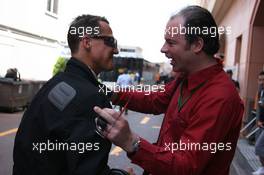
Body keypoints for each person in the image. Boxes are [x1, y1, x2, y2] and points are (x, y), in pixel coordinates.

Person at [93, 6, 244, 175]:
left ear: (197, 45)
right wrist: (110, 93)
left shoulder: (219, 97)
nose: (163, 49)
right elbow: (156, 99)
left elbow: (185, 166)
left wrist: (132, 142)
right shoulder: (185, 77)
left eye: (171, 42)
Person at [12, 14, 129, 175]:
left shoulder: (54, 84)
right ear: (87, 42)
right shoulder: (92, 98)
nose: (115, 50)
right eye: (110, 41)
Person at [253, 71, 264, 175]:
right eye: (260, 79)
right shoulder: (261, 91)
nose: (261, 82)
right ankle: (262, 168)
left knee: (258, 146)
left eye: (263, 80)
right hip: (262, 123)